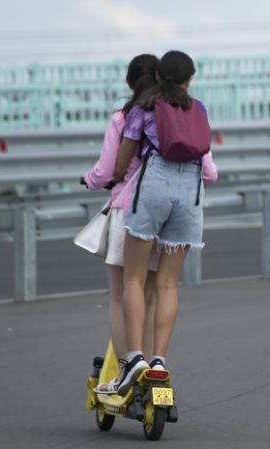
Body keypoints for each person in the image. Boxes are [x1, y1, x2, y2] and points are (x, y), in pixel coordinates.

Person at [113, 50, 218, 395]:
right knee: (168, 285)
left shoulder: (144, 108)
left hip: (154, 184)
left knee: (134, 276)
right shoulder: (198, 108)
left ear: (158, 76)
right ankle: (159, 361)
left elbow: (121, 163)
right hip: (190, 190)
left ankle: (134, 361)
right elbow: (206, 163)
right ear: (190, 79)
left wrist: (114, 178)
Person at [83, 53, 161, 394]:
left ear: (129, 83)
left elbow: (106, 171)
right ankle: (152, 365)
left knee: (120, 297)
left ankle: (128, 370)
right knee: (152, 296)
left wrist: (88, 180)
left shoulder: (123, 116)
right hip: (163, 214)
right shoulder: (173, 116)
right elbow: (209, 170)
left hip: (127, 209)